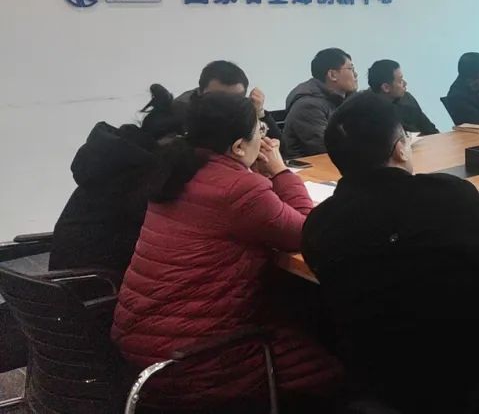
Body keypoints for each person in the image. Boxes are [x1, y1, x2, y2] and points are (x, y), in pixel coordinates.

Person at [302, 92, 479, 413]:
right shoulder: (452, 196)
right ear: (400, 148)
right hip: (477, 382)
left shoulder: (318, 226)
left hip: (382, 387)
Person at [112, 92, 342, 409]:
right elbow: (308, 233)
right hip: (193, 360)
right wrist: (280, 172)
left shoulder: (176, 170)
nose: (265, 137)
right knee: (334, 363)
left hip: (137, 341)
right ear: (238, 147)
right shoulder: (238, 189)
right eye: (260, 130)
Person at [49, 85, 184, 274]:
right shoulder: (141, 169)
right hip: (96, 277)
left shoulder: (118, 154)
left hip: (66, 266)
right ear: (171, 138)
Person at [173, 60, 281, 140]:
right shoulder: (180, 110)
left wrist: (259, 113)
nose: (227, 105)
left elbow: (281, 151)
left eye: (235, 98)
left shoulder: (242, 106)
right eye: (218, 97)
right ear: (200, 92)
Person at [283, 48, 358, 158]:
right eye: (351, 69)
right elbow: (328, 148)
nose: (355, 74)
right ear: (332, 75)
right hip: (315, 167)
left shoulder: (345, 100)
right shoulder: (308, 106)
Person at [366, 59, 438, 135]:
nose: (405, 83)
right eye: (400, 81)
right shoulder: (368, 113)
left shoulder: (407, 98)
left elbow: (431, 130)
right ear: (386, 87)